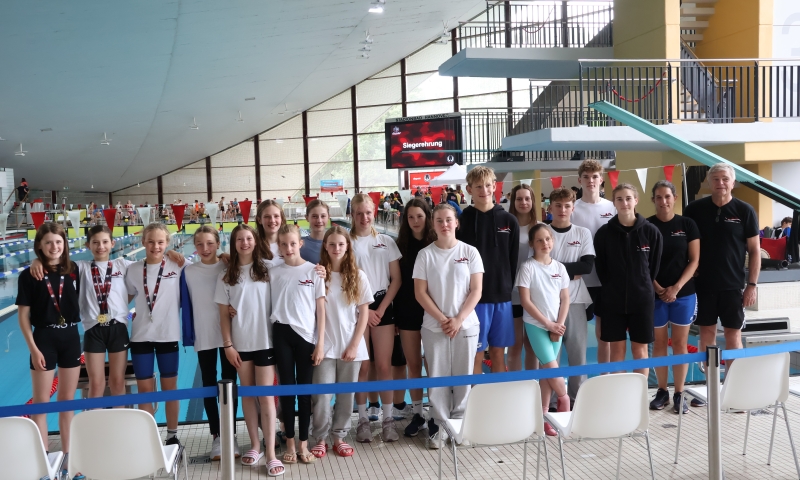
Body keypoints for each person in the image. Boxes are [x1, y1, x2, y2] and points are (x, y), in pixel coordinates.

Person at [683, 163, 760, 405]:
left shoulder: (745, 210)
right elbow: (685, 245)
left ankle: (734, 389)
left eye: (725, 178)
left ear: (733, 182)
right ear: (709, 182)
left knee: (732, 335)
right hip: (703, 285)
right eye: (715, 179)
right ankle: (711, 387)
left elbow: (755, 251)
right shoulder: (694, 210)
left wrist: (752, 285)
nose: (720, 183)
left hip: (733, 286)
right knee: (706, 334)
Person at [413, 203, 483, 449]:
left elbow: (476, 291)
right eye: (439, 220)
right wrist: (444, 320)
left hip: (466, 325)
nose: (444, 224)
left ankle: (460, 424)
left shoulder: (470, 252)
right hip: (434, 326)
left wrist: (458, 319)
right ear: (433, 224)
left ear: (456, 222)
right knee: (438, 377)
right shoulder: (425, 255)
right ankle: (440, 426)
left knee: (463, 377)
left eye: (448, 220)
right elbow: (420, 293)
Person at [215, 224, 283, 475]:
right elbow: (223, 315)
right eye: (239, 240)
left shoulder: (268, 268)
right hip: (240, 346)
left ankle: (272, 453)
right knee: (247, 397)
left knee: (265, 397)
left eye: (248, 239)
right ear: (233, 244)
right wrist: (228, 346)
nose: (244, 243)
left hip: (265, 342)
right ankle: (255, 445)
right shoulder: (226, 275)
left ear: (255, 241)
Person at [16, 223, 82, 480]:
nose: (54, 247)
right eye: (48, 243)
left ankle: (69, 462)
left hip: (71, 338)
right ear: (40, 247)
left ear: (64, 244)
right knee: (41, 405)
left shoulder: (74, 270)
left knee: (67, 405)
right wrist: (33, 348)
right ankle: (44, 465)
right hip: (44, 338)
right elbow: (23, 317)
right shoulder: (29, 275)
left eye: (58, 242)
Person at [310, 226, 373, 459]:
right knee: (322, 396)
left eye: (341, 244)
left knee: (346, 396)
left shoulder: (358, 275)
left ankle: (339, 436)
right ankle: (320, 437)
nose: (336, 248)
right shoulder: (318, 274)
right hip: (324, 345)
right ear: (325, 246)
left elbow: (364, 314)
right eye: (332, 244)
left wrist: (355, 345)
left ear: (348, 247)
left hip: (350, 345)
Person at [124, 223, 189, 447]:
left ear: (168, 243)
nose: (155, 246)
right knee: (145, 390)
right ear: (142, 242)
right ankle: (148, 436)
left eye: (160, 242)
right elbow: (124, 298)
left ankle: (172, 435)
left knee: (170, 388)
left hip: (168, 336)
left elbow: (207, 268)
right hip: (140, 337)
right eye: (150, 241)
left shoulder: (178, 264)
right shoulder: (132, 269)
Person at [181, 226, 241, 460]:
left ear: (218, 244)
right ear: (194, 247)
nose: (205, 248)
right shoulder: (188, 271)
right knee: (208, 384)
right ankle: (217, 436)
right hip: (204, 333)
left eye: (209, 243)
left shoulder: (228, 266)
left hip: (229, 334)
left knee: (229, 385)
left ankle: (231, 434)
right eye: (199, 244)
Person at [270, 224, 326, 465]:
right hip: (281, 332)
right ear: (278, 247)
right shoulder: (273, 272)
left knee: (304, 393)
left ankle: (304, 444)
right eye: (283, 244)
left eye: (292, 243)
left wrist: (320, 342)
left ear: (300, 243)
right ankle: (290, 442)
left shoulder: (314, 271)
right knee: (287, 393)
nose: (288, 248)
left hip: (306, 335)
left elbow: (321, 311)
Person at [348, 193, 402, 443]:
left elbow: (396, 280)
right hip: (356, 306)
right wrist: (365, 310)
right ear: (352, 215)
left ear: (374, 212)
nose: (364, 217)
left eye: (367, 212)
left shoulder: (386, 242)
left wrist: (380, 309)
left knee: (383, 365)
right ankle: (362, 420)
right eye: (359, 213)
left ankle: (388, 419)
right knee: (363, 366)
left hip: (383, 305)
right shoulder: (346, 242)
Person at [594, 184, 662, 377]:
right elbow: (602, 268)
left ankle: (639, 397)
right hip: (612, 301)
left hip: (641, 301)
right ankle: (619, 398)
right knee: (616, 351)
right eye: (619, 199)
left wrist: (640, 286)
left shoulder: (651, 232)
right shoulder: (604, 234)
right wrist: (612, 288)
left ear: (636, 200)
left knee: (640, 351)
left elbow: (653, 269)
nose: (624, 203)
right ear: (613, 203)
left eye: (628, 198)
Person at [456, 166, 519, 374]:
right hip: (474, 300)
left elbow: (512, 260)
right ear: (469, 189)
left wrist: (507, 287)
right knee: (476, 354)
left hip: (502, 297)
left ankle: (498, 403)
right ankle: (476, 403)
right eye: (478, 186)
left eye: (488, 185)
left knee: (499, 354)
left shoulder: (509, 221)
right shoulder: (462, 222)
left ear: (495, 187)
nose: (484, 190)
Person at [647, 181, 700, 414]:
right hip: (655, 293)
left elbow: (694, 260)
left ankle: (680, 393)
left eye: (667, 196)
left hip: (684, 293)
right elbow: (643, 262)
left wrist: (676, 287)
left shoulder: (687, 224)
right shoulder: (646, 225)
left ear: (674, 198)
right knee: (658, 343)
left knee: (679, 344)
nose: (663, 201)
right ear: (653, 200)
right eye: (658, 197)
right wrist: (657, 287)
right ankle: (662, 391)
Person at [515, 224, 571, 436]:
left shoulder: (559, 268)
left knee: (548, 372)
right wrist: (549, 325)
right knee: (551, 367)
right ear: (532, 244)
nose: (544, 243)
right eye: (539, 240)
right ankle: (564, 402)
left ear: (553, 241)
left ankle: (544, 417)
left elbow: (565, 298)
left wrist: (559, 324)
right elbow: (526, 301)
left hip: (557, 325)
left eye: (547, 239)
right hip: (536, 325)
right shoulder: (528, 267)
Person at [546, 186, 595, 404]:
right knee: (551, 358)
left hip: (576, 301)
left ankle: (578, 400)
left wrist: (554, 268)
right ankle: (556, 401)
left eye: (567, 206)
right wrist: (569, 271)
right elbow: (537, 267)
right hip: (547, 303)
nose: (562, 210)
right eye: (558, 205)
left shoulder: (582, 233)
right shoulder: (542, 232)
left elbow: (586, 267)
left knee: (578, 356)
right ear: (550, 207)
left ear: (573, 208)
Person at [394, 198, 435, 437]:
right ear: (405, 220)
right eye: (411, 217)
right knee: (413, 364)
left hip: (431, 311)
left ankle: (435, 412)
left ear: (427, 217)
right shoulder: (400, 247)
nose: (416, 221)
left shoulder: (436, 244)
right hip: (408, 310)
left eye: (420, 216)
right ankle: (418, 412)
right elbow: (396, 283)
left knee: (432, 363)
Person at [571, 160, 616, 366]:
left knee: (603, 334)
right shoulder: (573, 209)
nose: (591, 181)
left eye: (595, 176)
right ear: (580, 180)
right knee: (576, 336)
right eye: (587, 177)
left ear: (602, 179)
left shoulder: (612, 207)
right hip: (579, 280)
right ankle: (577, 380)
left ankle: (604, 376)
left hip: (605, 279)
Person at [506, 184, 537, 372]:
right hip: (512, 293)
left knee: (532, 345)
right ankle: (515, 386)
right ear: (513, 202)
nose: (523, 202)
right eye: (519, 199)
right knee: (515, 344)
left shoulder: (540, 227)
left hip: (535, 294)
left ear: (533, 201)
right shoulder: (507, 226)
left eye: (527, 198)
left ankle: (532, 386)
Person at [255, 199, 287, 265]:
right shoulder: (252, 245)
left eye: (276, 216)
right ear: (259, 220)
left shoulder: (290, 244)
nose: (272, 220)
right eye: (267, 216)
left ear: (282, 219)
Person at [300, 199, 329, 264]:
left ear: (328, 217)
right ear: (307, 218)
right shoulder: (299, 244)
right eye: (314, 216)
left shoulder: (336, 244)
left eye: (323, 216)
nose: (319, 220)